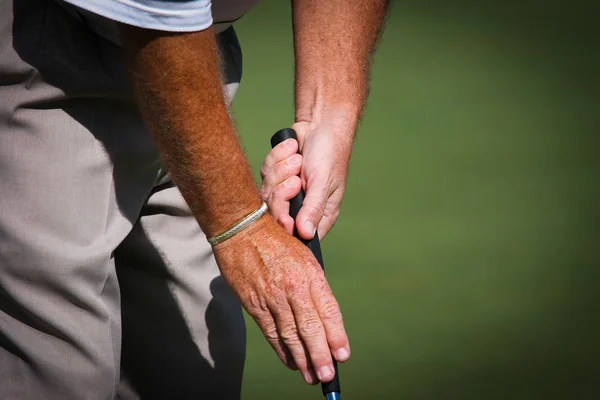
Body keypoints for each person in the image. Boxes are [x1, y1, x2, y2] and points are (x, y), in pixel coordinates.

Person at [0, 0, 389, 398]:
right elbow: (156, 12)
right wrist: (240, 224)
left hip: (198, 58)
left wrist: (327, 115)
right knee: (63, 376)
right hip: (45, 51)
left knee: (199, 371)